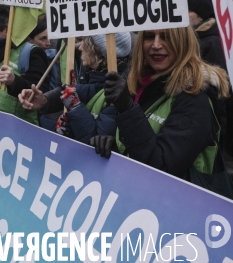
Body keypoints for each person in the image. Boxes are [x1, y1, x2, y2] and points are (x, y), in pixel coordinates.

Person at [90, 27, 231, 192]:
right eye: (149, 37)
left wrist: (127, 109)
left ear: (183, 42)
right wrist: (117, 147)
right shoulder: (144, 84)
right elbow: (147, 140)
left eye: (166, 37)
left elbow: (162, 169)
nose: (156, 45)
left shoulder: (195, 98)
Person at [0, 4, 49, 124]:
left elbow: (42, 93)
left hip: (17, 130)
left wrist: (14, 82)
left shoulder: (31, 53)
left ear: (6, 29)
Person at [187, 0, 227, 71]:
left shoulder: (213, 42)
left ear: (201, 16)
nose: (185, 14)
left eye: (189, 11)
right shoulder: (187, 36)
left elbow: (218, 75)